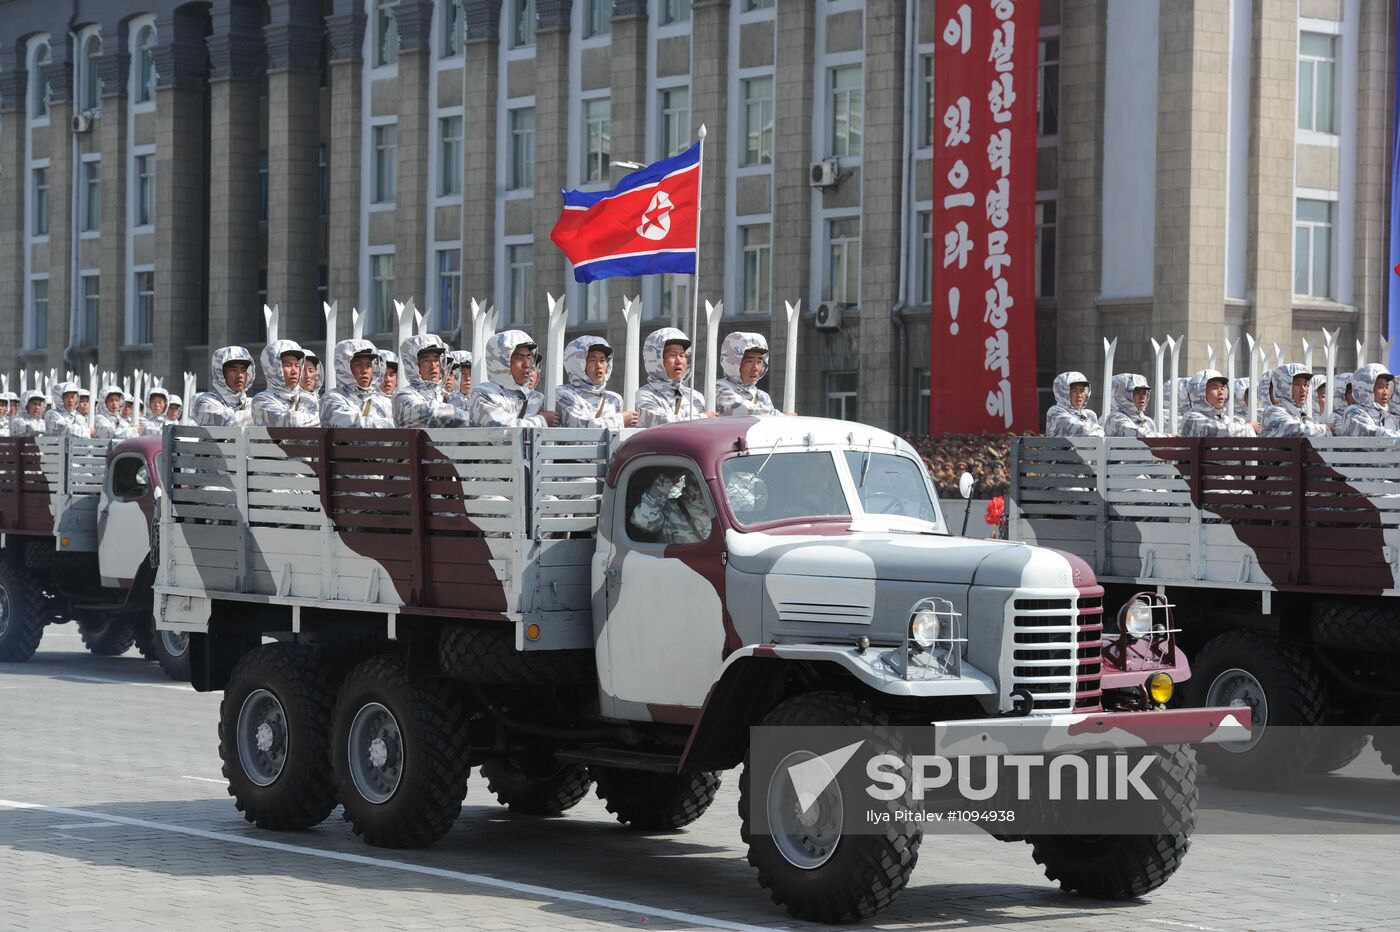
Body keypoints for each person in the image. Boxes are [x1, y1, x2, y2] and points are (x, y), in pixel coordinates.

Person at [468, 330, 558, 428]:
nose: (526, 364)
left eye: (529, 357)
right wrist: (542, 421)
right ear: (501, 362)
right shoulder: (483, 395)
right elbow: (502, 431)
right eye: (519, 358)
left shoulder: (538, 398)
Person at [555, 336, 637, 429]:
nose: (599, 366)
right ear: (577, 364)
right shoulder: (563, 395)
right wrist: (621, 420)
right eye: (592, 360)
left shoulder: (615, 399)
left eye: (602, 360)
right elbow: (583, 430)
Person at [635, 328, 711, 426]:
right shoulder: (644, 396)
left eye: (682, 355)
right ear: (656, 359)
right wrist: (703, 418)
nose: (678, 360)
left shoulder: (695, 397)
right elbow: (663, 424)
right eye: (672, 355)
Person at [394, 333, 468, 427]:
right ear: (413, 364)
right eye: (426, 360)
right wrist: (466, 417)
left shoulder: (454, 398)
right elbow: (427, 411)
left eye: (436, 360)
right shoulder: (403, 397)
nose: (433, 366)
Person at [322, 338, 395, 428]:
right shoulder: (333, 397)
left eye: (368, 365)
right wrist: (390, 424)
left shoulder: (384, 402)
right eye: (358, 365)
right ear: (345, 368)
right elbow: (353, 425)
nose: (365, 371)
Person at [630, 469, 713, 544]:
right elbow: (641, 519)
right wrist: (667, 481)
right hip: (678, 560)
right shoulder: (670, 508)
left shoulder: (719, 507)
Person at [252, 339, 320, 427]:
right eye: (288, 365)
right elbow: (293, 423)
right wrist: (320, 418)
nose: (294, 371)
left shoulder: (309, 398)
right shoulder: (261, 401)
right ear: (273, 368)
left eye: (297, 365)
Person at [714, 332, 781, 417]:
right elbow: (744, 409)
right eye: (749, 361)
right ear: (734, 362)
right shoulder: (719, 390)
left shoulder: (762, 396)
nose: (755, 368)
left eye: (759, 361)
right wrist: (781, 417)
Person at [1179, 369, 1258, 437]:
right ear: (1199, 392)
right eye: (1215, 388)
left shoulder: (1225, 419)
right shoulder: (1191, 417)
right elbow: (1221, 431)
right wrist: (1249, 428)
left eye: (1222, 388)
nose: (1221, 392)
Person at [1261, 364, 1330, 438]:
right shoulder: (1273, 412)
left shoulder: (1303, 414)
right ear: (1284, 387)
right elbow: (1296, 431)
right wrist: (1326, 429)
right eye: (1297, 384)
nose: (1303, 389)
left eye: (1305, 384)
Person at [193, 346, 257, 427]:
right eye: (233, 370)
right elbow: (230, 423)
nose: (240, 375)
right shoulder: (205, 402)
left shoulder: (251, 403)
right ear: (220, 373)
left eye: (243, 370)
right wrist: (260, 416)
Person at [1338, 363, 1400, 438]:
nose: (1385, 392)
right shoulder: (1353, 412)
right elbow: (1374, 436)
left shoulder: (1389, 417)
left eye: (1387, 387)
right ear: (1366, 388)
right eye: (1380, 387)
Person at [1045, 371, 1104, 437]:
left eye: (1082, 391)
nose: (1079, 395)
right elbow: (1080, 429)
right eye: (1074, 391)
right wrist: (1101, 431)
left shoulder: (1090, 415)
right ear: (1063, 392)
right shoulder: (1055, 411)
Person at [1103, 373, 1161, 437]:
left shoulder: (1148, 422)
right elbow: (1141, 435)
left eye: (1144, 393)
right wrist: (1170, 437)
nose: (1142, 397)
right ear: (1122, 394)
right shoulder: (1115, 419)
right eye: (1137, 392)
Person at [367, 349, 398, 424]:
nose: (387, 379)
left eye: (391, 375)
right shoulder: (368, 402)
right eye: (383, 375)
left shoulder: (402, 401)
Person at [447, 350, 472, 418]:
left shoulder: (480, 400)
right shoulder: (445, 400)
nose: (467, 378)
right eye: (463, 374)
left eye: (471, 374)